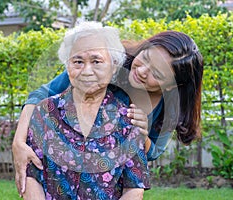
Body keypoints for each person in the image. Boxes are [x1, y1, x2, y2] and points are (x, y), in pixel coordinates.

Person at [12, 27, 204, 196]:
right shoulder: (106, 63)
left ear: (173, 85)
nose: (142, 71)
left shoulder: (170, 108)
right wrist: (18, 142)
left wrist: (142, 134)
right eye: (144, 59)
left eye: (157, 73)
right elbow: (40, 95)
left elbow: (152, 152)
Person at [22, 21, 151, 199]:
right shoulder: (44, 112)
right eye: (78, 61)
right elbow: (31, 176)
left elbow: (134, 188)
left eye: (96, 61)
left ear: (113, 66)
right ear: (68, 67)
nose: (86, 70)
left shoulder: (128, 120)